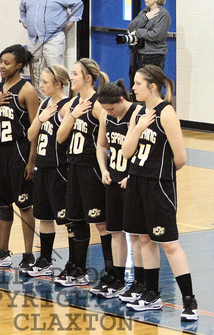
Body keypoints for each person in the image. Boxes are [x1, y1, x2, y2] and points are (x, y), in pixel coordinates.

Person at [121, 65, 198, 322]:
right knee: (144, 240)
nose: (133, 88)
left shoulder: (167, 113)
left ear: (152, 86)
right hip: (136, 182)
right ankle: (152, 294)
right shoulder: (138, 114)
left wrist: (159, 172)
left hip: (159, 185)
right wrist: (138, 128)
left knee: (169, 244)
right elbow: (126, 152)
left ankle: (189, 300)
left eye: (138, 84)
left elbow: (181, 157)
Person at [0, 44, 39, 271]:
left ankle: (28, 254)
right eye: (0, 62)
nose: (2, 67)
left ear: (19, 65)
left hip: (20, 151)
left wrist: (32, 160)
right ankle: (2, 250)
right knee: (3, 204)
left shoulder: (27, 90)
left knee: (25, 205)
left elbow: (35, 128)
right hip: (0, 152)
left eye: (7, 63)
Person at [55, 58, 110, 288]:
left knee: (101, 223)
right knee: (75, 220)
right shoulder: (72, 104)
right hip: (73, 168)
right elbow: (60, 137)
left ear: (88, 78)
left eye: (75, 73)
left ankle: (111, 272)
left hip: (91, 170)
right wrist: (73, 114)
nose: (71, 77)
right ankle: (77, 268)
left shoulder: (98, 105)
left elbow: (106, 141)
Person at [95, 81, 144, 299]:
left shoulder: (136, 114)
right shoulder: (106, 116)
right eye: (105, 109)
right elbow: (101, 145)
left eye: (111, 108)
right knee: (115, 231)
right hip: (112, 179)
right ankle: (118, 278)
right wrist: (104, 169)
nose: (109, 113)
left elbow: (145, 151)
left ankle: (140, 282)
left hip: (131, 183)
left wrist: (131, 174)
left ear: (122, 100)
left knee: (135, 234)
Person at [25, 65, 70, 277]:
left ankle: (75, 263)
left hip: (59, 169)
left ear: (58, 83)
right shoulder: (45, 104)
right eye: (40, 81)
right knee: (44, 217)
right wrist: (40, 119)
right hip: (42, 167)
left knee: (67, 218)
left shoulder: (66, 106)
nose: (40, 85)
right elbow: (30, 134)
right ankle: (45, 259)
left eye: (45, 82)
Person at [19, 0, 84, 99]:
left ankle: (61, 101)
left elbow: (78, 4)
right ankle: (42, 101)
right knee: (36, 71)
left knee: (55, 70)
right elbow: (22, 8)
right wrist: (24, 21)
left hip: (53, 38)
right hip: (34, 39)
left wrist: (71, 22)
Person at [127, 0, 171, 86]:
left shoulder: (163, 14)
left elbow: (155, 35)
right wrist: (146, 17)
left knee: (152, 84)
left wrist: (138, 32)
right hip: (139, 54)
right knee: (138, 83)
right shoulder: (144, 12)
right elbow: (131, 27)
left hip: (154, 54)